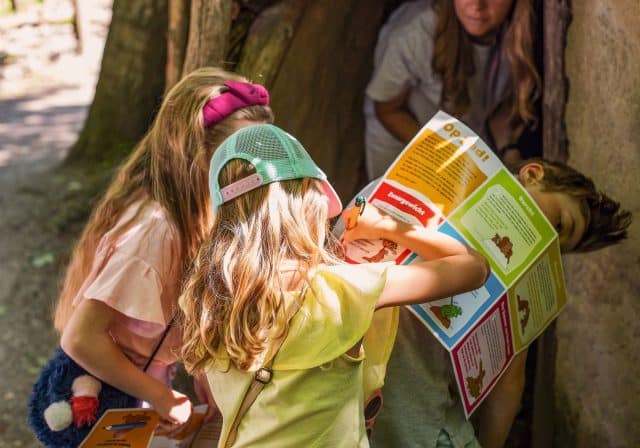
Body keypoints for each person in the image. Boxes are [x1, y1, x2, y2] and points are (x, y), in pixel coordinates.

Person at [178, 123, 490, 447]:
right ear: (308, 204)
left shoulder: (203, 297)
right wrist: (389, 226)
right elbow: (474, 268)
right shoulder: (336, 292)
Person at [348, 158, 632, 448]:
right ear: (532, 174)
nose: (547, 241)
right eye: (558, 224)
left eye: (556, 248)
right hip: (366, 402)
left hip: (418, 418)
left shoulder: (521, 278)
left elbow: (510, 383)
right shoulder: (424, 187)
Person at [54, 67, 274, 432]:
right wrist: (158, 395)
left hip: (144, 373)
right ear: (196, 155)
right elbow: (80, 338)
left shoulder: (200, 206)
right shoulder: (156, 230)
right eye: (242, 154)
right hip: (111, 385)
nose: (259, 167)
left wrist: (200, 369)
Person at [364, 0, 541, 179]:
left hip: (464, 139)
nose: (477, 5)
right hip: (406, 140)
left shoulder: (520, 36)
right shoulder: (413, 36)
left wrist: (510, 152)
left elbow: (500, 106)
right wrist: (448, 159)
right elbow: (387, 110)